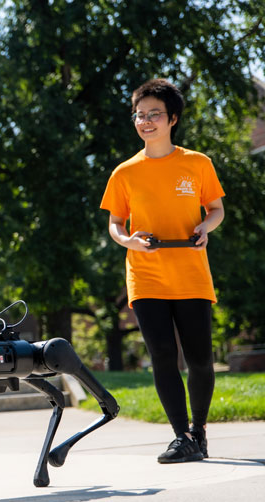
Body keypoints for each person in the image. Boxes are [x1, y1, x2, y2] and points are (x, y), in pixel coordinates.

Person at [100, 78, 225, 464]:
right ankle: (180, 435)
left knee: (201, 358)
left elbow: (217, 209)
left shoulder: (197, 163)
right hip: (146, 274)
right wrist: (128, 241)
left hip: (190, 272)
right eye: (140, 115)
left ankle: (199, 432)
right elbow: (115, 224)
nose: (146, 121)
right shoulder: (124, 172)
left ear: (172, 119)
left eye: (154, 114)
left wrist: (206, 226)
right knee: (163, 356)